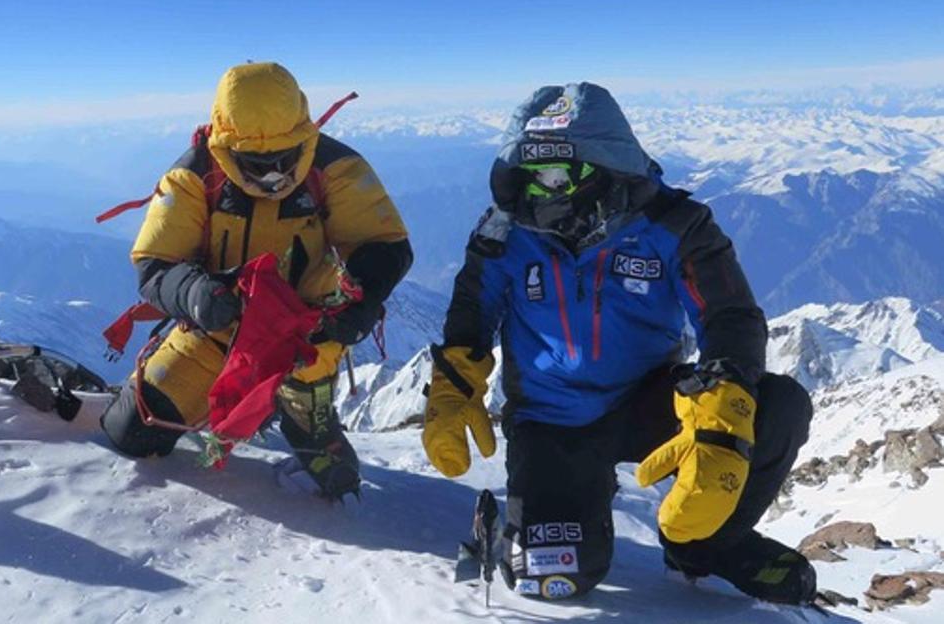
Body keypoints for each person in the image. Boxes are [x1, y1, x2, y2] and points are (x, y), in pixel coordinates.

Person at [421, 82, 816, 605]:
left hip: (649, 401)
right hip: (549, 417)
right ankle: (577, 498)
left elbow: (728, 314)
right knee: (552, 579)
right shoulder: (505, 234)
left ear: (606, 169)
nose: (544, 192)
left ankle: (706, 547)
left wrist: (723, 407)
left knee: (777, 407)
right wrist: (454, 388)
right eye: (531, 178)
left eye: (560, 175)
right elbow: (472, 310)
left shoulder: (675, 225)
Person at [100, 62, 412, 499]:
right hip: (218, 328)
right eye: (255, 163)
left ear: (303, 140)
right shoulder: (194, 175)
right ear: (228, 148)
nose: (271, 175)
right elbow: (154, 263)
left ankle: (301, 409)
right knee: (131, 432)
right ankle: (233, 402)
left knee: (337, 481)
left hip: (306, 336)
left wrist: (359, 304)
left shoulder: (336, 168)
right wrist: (194, 294)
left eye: (283, 160)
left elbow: (384, 244)